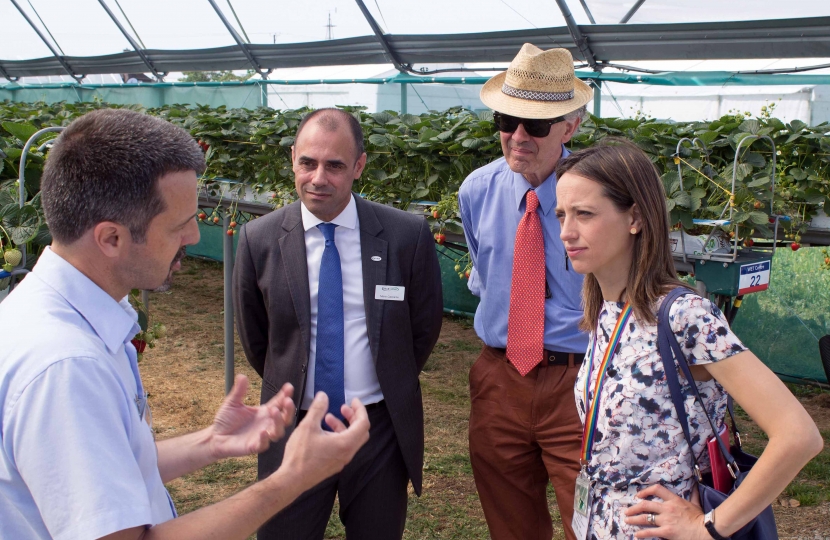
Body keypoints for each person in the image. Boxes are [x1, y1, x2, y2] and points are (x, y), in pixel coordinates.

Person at [0, 108, 370, 540]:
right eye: (179, 225)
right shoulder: (66, 367)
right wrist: (290, 479)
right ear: (111, 238)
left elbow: (107, 465)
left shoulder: (58, 317)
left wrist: (212, 442)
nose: (194, 236)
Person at [554, 141, 823, 539]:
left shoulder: (684, 316)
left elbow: (799, 435)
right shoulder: (607, 309)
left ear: (636, 218)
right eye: (561, 214)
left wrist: (709, 527)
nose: (566, 232)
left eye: (584, 214)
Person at [233, 107, 443, 540]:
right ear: (293, 158)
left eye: (334, 165)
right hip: (293, 426)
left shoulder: (405, 235)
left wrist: (385, 377)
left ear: (359, 166)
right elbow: (259, 340)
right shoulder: (260, 239)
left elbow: (422, 328)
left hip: (376, 430)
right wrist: (293, 382)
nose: (318, 178)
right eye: (307, 163)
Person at [457, 44, 593, 540]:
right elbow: (484, 270)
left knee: (593, 522)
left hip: (580, 382)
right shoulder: (476, 190)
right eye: (506, 119)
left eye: (535, 126)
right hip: (499, 377)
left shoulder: (599, 195)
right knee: (510, 524)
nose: (517, 136)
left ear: (570, 127)